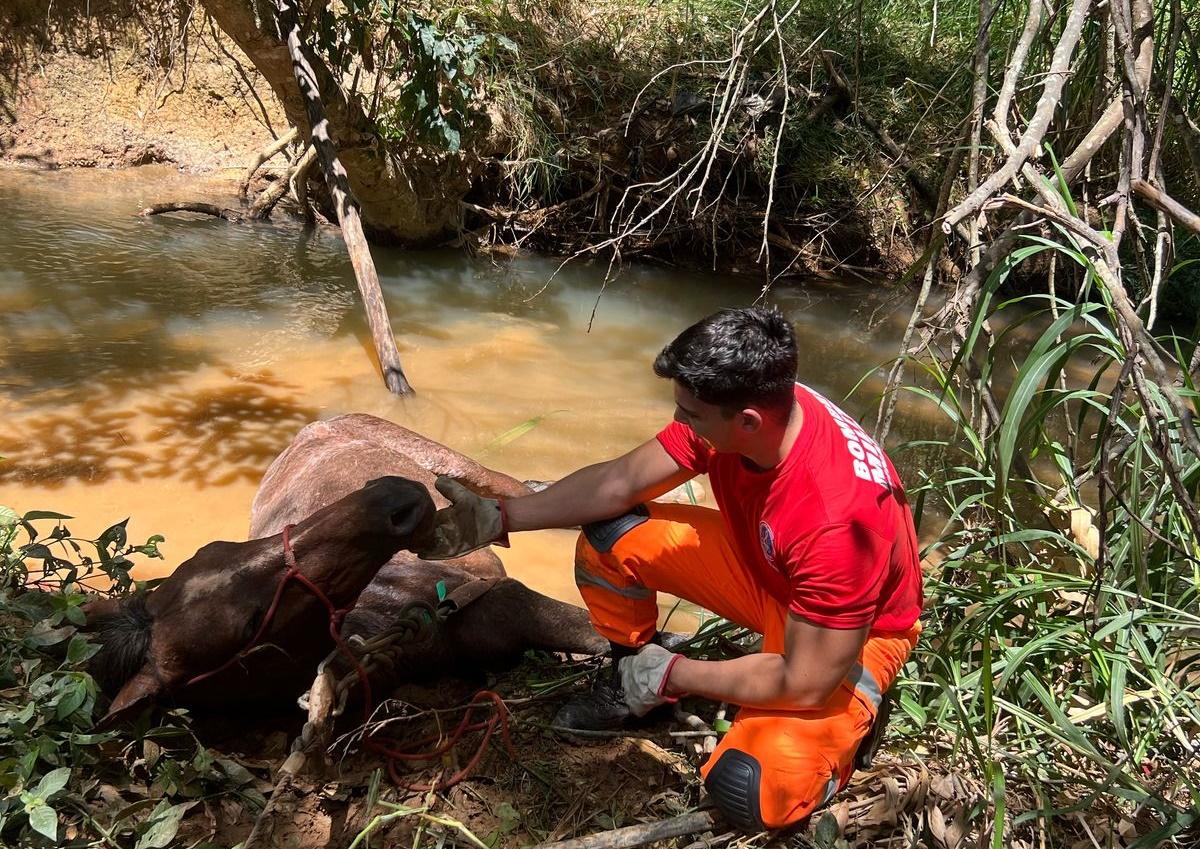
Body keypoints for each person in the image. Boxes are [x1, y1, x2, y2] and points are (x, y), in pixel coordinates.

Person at [415, 307, 923, 832]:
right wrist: (504, 515)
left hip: (852, 639)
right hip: (774, 568)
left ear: (747, 421)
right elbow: (618, 483)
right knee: (613, 533)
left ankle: (845, 723)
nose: (679, 422)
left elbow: (805, 680)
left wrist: (675, 675)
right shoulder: (763, 406)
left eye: (690, 413)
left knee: (751, 789)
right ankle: (629, 676)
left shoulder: (837, 521)